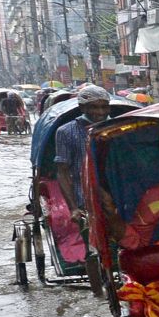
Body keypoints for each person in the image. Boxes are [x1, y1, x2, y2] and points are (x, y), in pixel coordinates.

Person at [55, 85, 112, 223]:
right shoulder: (66, 132)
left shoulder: (119, 127)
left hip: (117, 197)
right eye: (94, 107)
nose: (100, 112)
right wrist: (73, 208)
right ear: (82, 108)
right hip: (85, 201)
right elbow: (62, 172)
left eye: (104, 107)